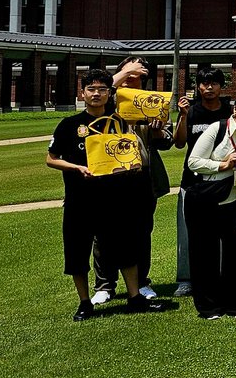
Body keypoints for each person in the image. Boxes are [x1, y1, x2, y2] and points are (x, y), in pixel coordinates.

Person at [46, 69, 165, 321]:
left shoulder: (120, 122)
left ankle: (134, 297)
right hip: (80, 200)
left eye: (102, 89)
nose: (96, 94)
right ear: (82, 93)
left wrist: (131, 164)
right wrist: (77, 168)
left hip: (116, 199)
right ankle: (84, 302)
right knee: (78, 251)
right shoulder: (69, 125)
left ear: (109, 93)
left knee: (126, 248)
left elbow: (130, 154)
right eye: (91, 89)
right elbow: (51, 159)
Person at [91, 57, 184, 304]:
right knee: (104, 232)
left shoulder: (152, 100)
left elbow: (166, 142)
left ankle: (142, 282)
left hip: (141, 177)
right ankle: (104, 285)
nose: (133, 75)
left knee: (141, 232)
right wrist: (123, 73)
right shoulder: (107, 97)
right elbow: (98, 91)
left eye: (138, 71)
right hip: (109, 175)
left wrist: (156, 130)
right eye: (129, 70)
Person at [186, 91, 236, 319]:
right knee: (204, 255)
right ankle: (209, 307)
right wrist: (223, 164)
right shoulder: (217, 129)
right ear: (234, 109)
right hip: (203, 200)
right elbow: (194, 162)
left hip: (235, 202)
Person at [175, 68, 233, 298]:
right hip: (193, 182)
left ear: (221, 87)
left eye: (214, 83)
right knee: (188, 235)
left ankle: (219, 276)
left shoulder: (230, 112)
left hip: (225, 181)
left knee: (222, 233)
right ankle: (186, 279)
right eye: (204, 84)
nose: (209, 88)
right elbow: (179, 143)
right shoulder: (191, 111)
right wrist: (181, 116)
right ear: (198, 87)